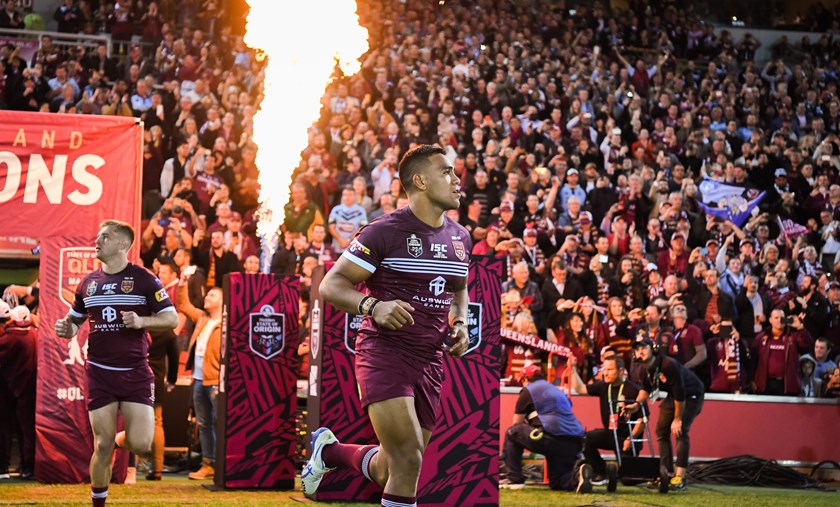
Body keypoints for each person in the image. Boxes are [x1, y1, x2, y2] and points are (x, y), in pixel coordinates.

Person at [304, 145, 471, 507]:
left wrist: (460, 321)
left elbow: (459, 289)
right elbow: (331, 285)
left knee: (391, 467)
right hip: (385, 352)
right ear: (420, 180)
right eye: (447, 172)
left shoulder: (460, 237)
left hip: (430, 360)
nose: (457, 180)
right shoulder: (383, 231)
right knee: (408, 460)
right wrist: (373, 306)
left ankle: (329, 452)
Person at [54, 220, 178, 507]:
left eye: (105, 237)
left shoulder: (144, 279)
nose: (97, 241)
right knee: (102, 445)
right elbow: (74, 322)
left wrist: (142, 321)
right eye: (98, 236)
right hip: (100, 372)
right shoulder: (88, 283)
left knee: (141, 443)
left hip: (136, 372)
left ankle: (121, 438)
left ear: (123, 244)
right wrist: (66, 329)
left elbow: (172, 318)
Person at [501, 364, 591, 492]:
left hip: (550, 437)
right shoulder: (557, 391)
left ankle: (514, 480)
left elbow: (517, 422)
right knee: (558, 482)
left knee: (512, 433)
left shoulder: (528, 390)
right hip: (574, 441)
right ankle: (578, 476)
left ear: (524, 380)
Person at [631, 339, 705, 492]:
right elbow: (645, 389)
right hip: (674, 395)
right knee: (661, 431)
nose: (640, 352)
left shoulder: (668, 365)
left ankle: (680, 477)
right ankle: (667, 473)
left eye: (643, 348)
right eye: (637, 350)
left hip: (691, 394)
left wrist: (677, 419)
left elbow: (680, 395)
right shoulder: (643, 369)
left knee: (680, 430)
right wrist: (636, 405)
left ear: (653, 348)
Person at [569, 356, 646, 483]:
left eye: (609, 369)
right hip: (611, 434)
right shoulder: (604, 386)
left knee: (628, 480)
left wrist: (630, 438)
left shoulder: (633, 389)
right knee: (585, 438)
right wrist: (572, 368)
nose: (605, 373)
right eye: (604, 369)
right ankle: (600, 472)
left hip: (628, 439)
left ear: (620, 371)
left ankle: (644, 471)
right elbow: (580, 388)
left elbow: (643, 420)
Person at [178, 268, 223, 480]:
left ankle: (222, 463)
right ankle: (208, 463)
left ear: (222, 301)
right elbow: (184, 305)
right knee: (204, 424)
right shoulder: (203, 318)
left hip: (216, 380)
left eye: (212, 295)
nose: (207, 297)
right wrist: (182, 283)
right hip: (198, 379)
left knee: (220, 423)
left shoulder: (226, 323)